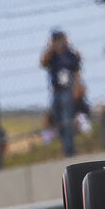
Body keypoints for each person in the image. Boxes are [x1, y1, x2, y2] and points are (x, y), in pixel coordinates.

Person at [40, 28, 81, 156]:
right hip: (56, 91)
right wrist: (50, 47)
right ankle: (65, 145)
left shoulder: (70, 54)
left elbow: (77, 70)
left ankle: (69, 150)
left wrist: (77, 88)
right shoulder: (52, 55)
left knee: (67, 119)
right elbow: (43, 62)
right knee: (58, 120)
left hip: (68, 90)